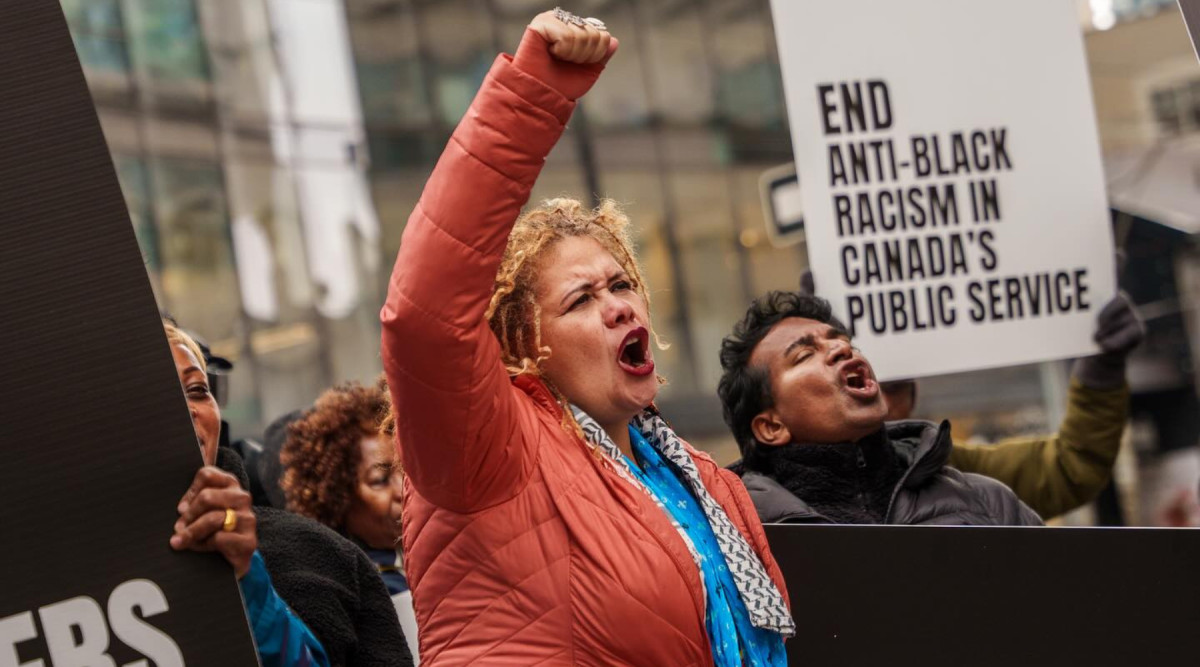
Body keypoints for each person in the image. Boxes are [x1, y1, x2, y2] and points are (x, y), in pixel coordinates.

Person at [380, 10, 794, 666]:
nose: (617, 306)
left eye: (620, 284)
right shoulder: (493, 454)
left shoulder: (706, 482)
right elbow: (422, 314)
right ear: (520, 345)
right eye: (580, 299)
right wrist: (533, 92)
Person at [165, 321, 414, 667]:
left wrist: (247, 578)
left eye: (196, 390)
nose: (188, 409)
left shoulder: (326, 557)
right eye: (378, 480)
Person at [798, 271, 1141, 520]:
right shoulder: (769, 503)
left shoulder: (961, 478)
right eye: (849, 378)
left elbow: (1070, 468)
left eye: (891, 385)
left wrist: (1101, 372)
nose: (869, 392)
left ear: (913, 400)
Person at [717, 292, 1043, 526]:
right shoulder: (739, 537)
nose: (840, 348)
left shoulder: (988, 504)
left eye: (844, 341)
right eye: (804, 355)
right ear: (772, 427)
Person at [280, 380, 420, 663]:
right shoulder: (356, 587)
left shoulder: (423, 553)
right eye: (379, 481)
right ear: (338, 499)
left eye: (403, 469)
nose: (402, 488)